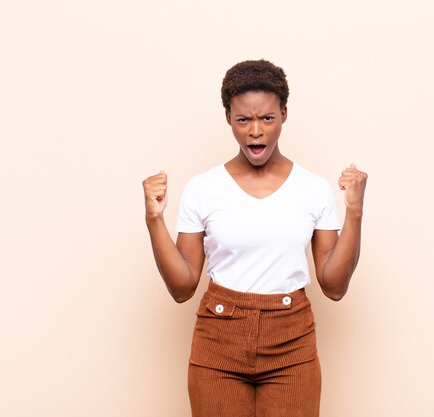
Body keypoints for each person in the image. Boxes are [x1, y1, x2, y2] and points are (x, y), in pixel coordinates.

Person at [143, 59, 367, 417]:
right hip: (218, 340)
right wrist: (154, 220)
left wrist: (354, 212)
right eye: (243, 119)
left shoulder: (313, 188)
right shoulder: (203, 188)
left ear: (284, 114)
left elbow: (335, 286)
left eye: (267, 118)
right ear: (229, 119)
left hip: (291, 341)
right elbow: (182, 287)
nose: (255, 131)